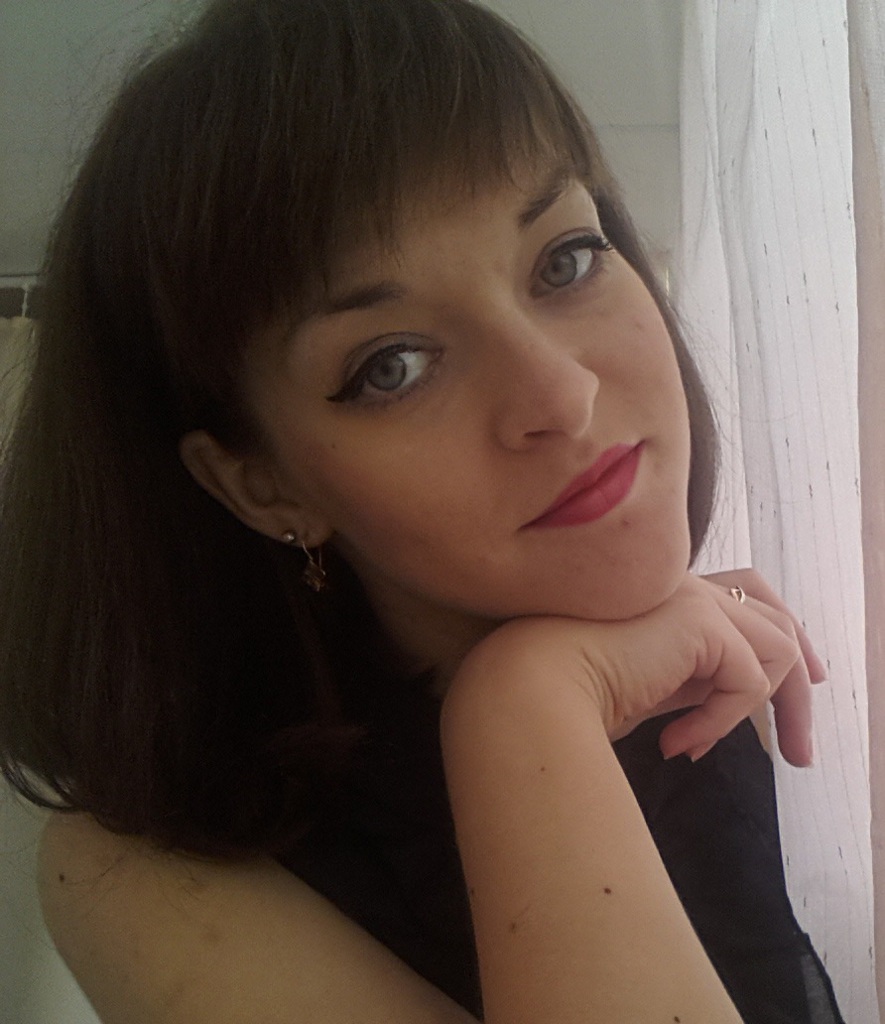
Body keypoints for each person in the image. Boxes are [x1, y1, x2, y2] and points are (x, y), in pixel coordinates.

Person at [0, 0, 845, 1021]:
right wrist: (523, 704)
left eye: (566, 260)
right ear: (264, 485)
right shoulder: (137, 872)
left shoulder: (698, 672)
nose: (562, 393)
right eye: (391, 365)